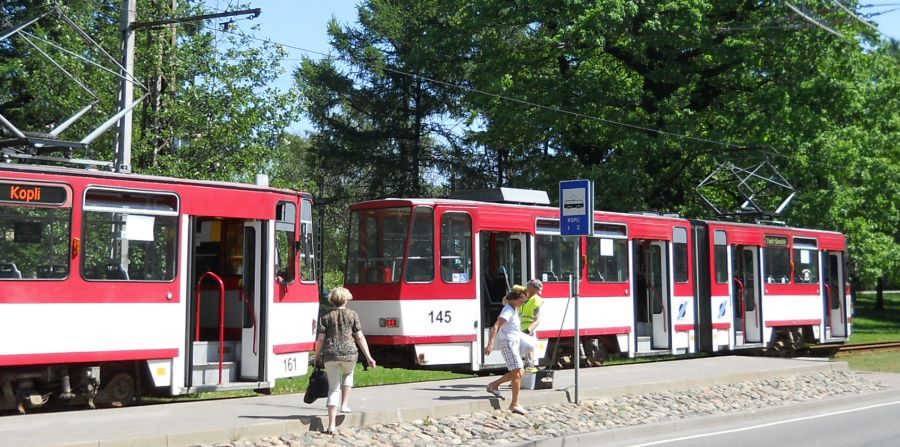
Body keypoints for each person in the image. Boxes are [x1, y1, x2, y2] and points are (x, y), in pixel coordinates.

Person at [313, 287, 377, 434]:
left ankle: (331, 425)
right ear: (346, 299)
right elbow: (359, 337)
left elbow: (321, 338)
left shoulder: (326, 316)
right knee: (348, 375)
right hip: (349, 353)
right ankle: (345, 404)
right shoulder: (352, 315)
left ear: (332, 300)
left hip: (331, 354)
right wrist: (369, 357)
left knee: (333, 389)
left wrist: (317, 355)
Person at [484, 287, 528, 415]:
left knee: (519, 372)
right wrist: (490, 344)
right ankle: (514, 404)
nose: (523, 304)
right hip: (508, 344)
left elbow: (506, 300)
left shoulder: (511, 307)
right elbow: (496, 326)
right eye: (522, 301)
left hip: (513, 344)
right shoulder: (508, 310)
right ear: (515, 299)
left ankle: (493, 385)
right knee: (518, 372)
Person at [519, 279, 544, 370]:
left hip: (527, 330)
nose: (538, 292)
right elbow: (504, 302)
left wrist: (528, 330)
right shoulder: (521, 295)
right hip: (517, 328)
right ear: (530, 287)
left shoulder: (536, 300)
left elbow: (537, 320)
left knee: (529, 352)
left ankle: (529, 372)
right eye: (537, 289)